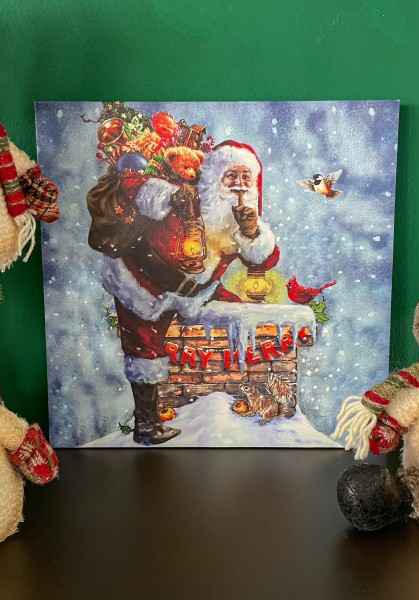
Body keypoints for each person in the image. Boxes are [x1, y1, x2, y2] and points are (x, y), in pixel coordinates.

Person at [88, 140, 279, 444]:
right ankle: (147, 426)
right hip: (141, 283)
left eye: (246, 177)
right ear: (214, 177)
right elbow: (132, 185)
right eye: (231, 176)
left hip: (192, 293)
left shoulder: (244, 219)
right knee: (144, 351)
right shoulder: (186, 195)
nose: (239, 184)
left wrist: (252, 231)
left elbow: (264, 258)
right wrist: (172, 196)